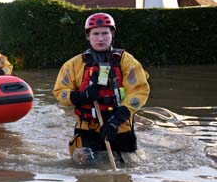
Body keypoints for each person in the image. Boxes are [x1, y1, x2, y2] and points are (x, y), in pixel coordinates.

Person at [52, 12, 150, 162]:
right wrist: (82, 96)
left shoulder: (127, 61)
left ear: (112, 34)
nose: (100, 38)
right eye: (95, 34)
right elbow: (60, 92)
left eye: (105, 33)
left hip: (119, 126)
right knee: (85, 167)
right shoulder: (73, 64)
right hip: (87, 129)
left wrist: (116, 121)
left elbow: (139, 91)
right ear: (88, 36)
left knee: (128, 168)